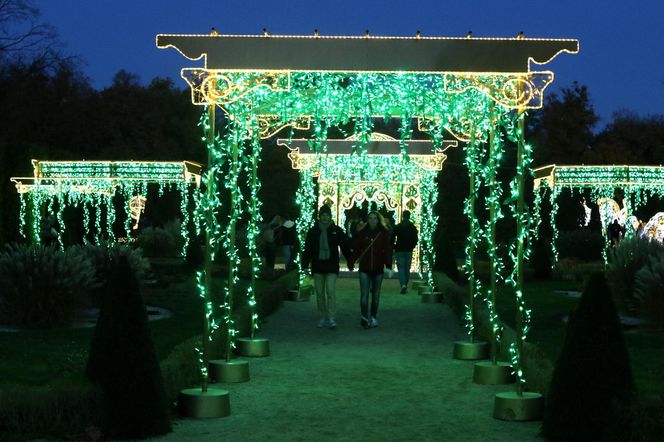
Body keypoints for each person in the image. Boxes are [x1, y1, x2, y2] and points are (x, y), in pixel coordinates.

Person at [301, 204, 353, 329]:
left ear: (330, 216)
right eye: (323, 215)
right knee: (319, 292)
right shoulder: (313, 231)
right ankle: (323, 315)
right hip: (318, 265)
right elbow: (308, 248)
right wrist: (304, 264)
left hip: (331, 265)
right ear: (319, 216)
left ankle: (331, 316)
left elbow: (345, 246)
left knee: (330, 291)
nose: (325, 217)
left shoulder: (336, 230)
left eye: (327, 215)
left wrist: (350, 260)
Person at [352, 211, 393, 329]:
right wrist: (352, 260)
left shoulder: (383, 233)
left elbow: (388, 250)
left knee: (376, 294)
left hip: (378, 267)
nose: (372, 220)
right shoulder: (362, 233)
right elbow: (356, 248)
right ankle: (364, 317)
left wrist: (388, 265)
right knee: (364, 294)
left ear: (378, 220)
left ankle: (373, 316)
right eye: (370, 218)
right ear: (367, 220)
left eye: (375, 218)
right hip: (364, 267)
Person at [391, 210, 419, 294]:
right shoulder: (412, 227)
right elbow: (415, 239)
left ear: (403, 216)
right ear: (409, 216)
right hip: (408, 250)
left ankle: (403, 284)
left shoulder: (398, 226)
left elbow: (392, 238)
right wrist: (412, 246)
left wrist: (394, 246)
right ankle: (405, 285)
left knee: (401, 269)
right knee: (407, 269)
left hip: (399, 250)